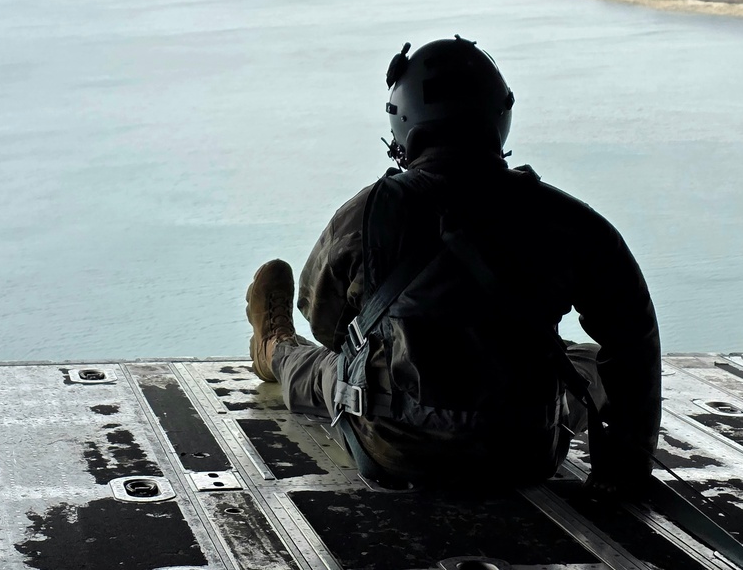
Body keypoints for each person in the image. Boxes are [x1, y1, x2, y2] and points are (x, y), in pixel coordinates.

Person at [245, 36, 661, 493]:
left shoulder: (366, 215)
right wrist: (623, 469)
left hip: (392, 448)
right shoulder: (568, 220)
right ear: (498, 117)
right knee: (590, 361)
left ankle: (276, 348)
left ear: (403, 123)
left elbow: (328, 328)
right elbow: (634, 339)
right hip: (522, 452)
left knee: (326, 365)